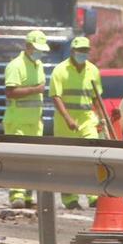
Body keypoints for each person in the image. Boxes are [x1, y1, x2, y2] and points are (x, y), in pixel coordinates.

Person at [49, 36, 105, 210]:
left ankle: (93, 195)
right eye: (79, 50)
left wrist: (101, 118)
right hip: (66, 122)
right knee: (68, 162)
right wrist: (68, 119)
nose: (82, 54)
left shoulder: (93, 70)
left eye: (85, 51)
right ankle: (70, 198)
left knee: (92, 157)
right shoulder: (60, 70)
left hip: (87, 118)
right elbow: (55, 97)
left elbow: (96, 98)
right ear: (72, 51)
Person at [3, 30, 49, 209]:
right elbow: (10, 92)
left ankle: (28, 194)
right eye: (37, 48)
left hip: (34, 122)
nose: (40, 52)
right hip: (18, 121)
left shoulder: (39, 65)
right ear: (28, 46)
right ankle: (17, 195)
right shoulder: (16, 65)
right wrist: (34, 90)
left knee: (33, 160)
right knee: (18, 159)